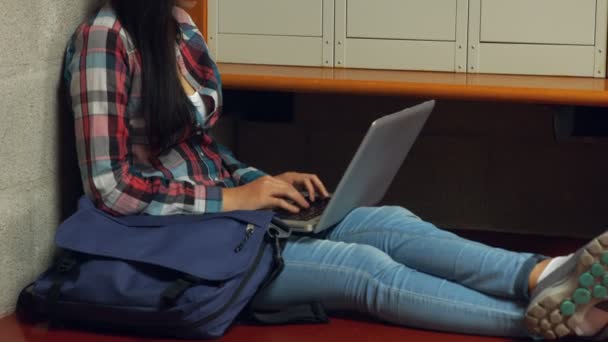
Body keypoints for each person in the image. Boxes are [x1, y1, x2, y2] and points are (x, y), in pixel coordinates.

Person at [64, 0, 608, 339]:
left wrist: (258, 180)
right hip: (187, 253)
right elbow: (110, 188)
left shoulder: (178, 28)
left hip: (232, 217)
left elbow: (198, 147)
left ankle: (544, 275)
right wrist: (235, 200)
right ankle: (553, 326)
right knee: (364, 268)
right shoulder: (105, 38)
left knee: (390, 220)